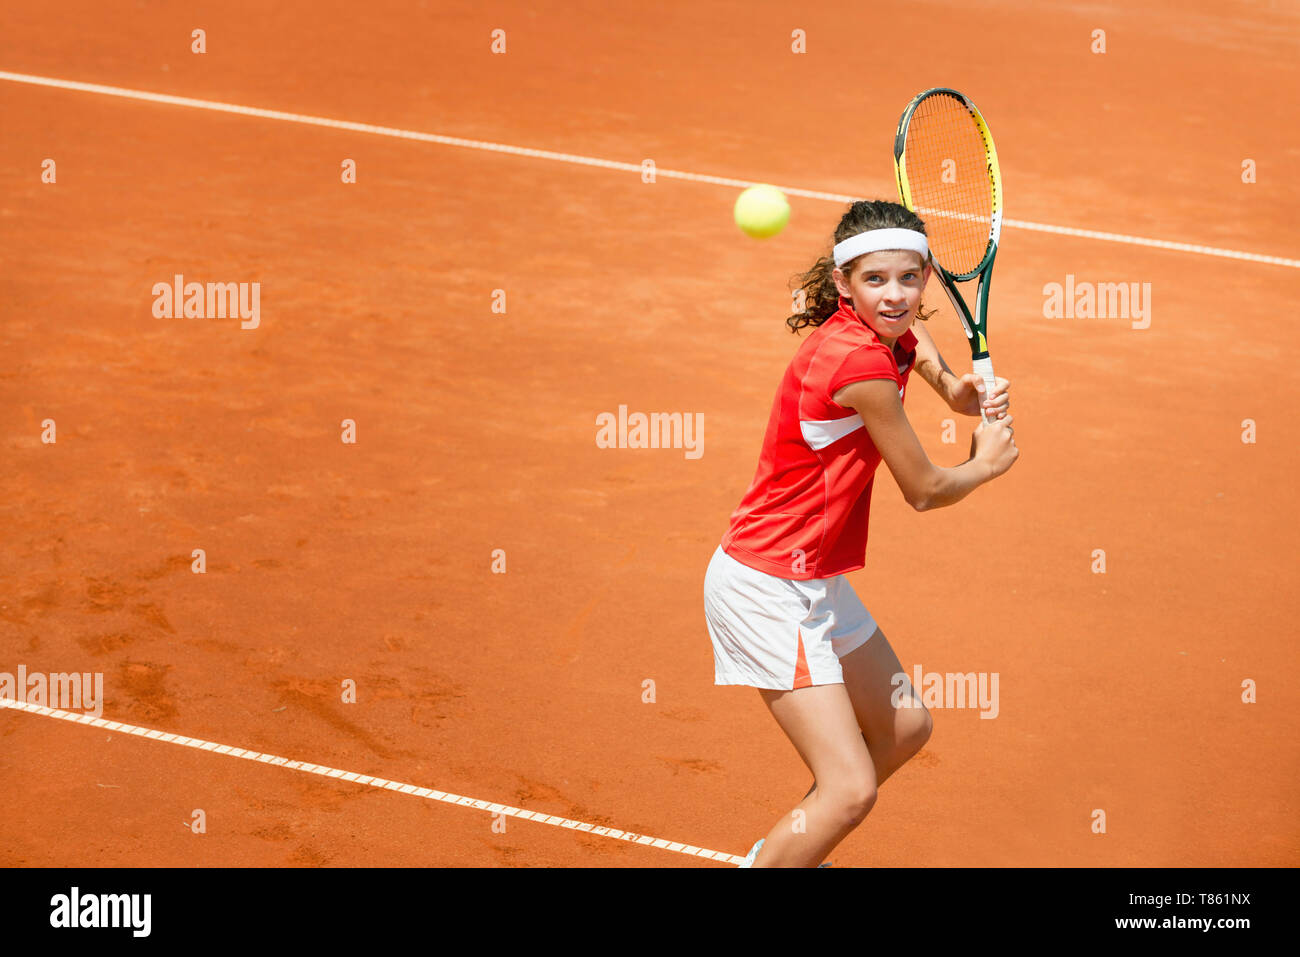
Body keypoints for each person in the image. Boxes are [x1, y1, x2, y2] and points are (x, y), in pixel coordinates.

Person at [703, 199, 1019, 867]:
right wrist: (983, 463)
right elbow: (926, 490)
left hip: (811, 577)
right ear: (843, 283)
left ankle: (785, 847)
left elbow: (916, 341)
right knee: (850, 791)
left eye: (909, 278)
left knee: (904, 726)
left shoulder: (883, 330)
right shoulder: (858, 365)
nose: (896, 294)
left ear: (928, 274)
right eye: (875, 280)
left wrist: (950, 388)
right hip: (765, 585)